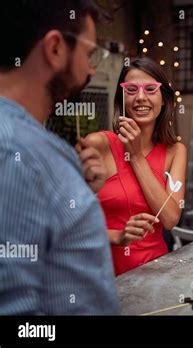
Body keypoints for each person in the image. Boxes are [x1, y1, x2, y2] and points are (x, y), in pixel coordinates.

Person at [0, 0, 119, 314]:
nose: (91, 69)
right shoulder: (16, 152)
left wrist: (75, 193)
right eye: (89, 54)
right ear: (55, 48)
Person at [86, 57, 187, 276]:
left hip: (155, 276)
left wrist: (136, 156)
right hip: (103, 275)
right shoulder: (99, 144)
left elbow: (170, 219)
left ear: (164, 100)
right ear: (121, 99)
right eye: (131, 89)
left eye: (151, 89)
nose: (141, 97)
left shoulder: (176, 151)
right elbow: (67, 219)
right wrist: (116, 236)